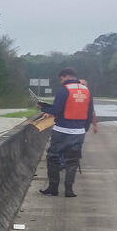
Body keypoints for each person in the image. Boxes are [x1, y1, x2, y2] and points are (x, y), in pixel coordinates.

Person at [38, 67, 95, 197]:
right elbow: (89, 112)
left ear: (66, 76)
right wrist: (84, 129)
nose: (61, 81)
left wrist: (43, 107)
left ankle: (53, 188)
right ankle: (69, 190)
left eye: (61, 78)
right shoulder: (86, 91)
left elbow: (57, 110)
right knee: (73, 161)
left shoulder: (64, 91)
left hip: (61, 131)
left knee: (52, 157)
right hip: (78, 132)